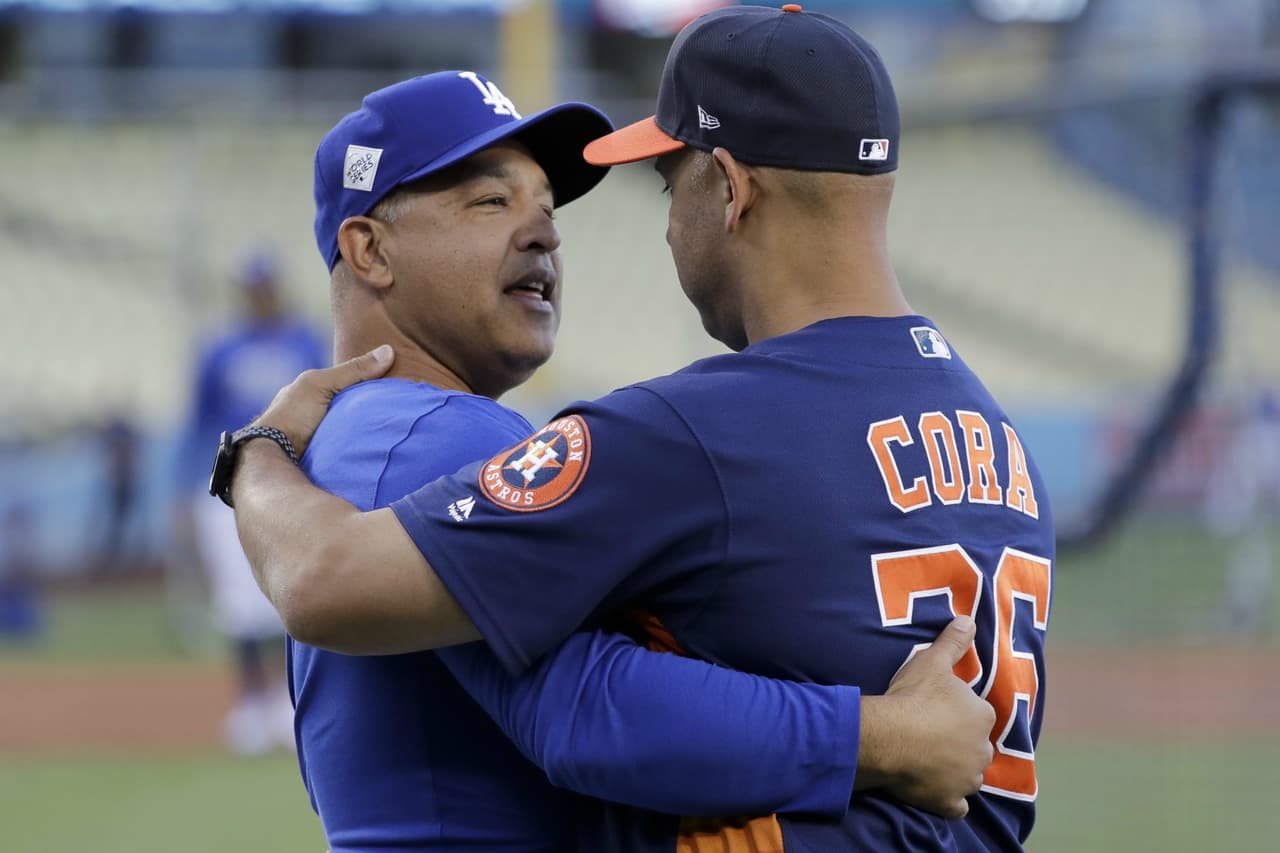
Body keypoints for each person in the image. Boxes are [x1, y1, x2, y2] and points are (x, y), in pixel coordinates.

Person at [226, 6, 1054, 849]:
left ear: (730, 188)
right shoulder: (997, 440)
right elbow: (576, 704)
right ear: (369, 251)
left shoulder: (692, 429)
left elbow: (573, 707)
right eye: (490, 199)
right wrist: (883, 736)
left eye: (549, 205)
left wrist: (254, 453)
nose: (545, 232)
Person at [178, 249, 327, 755]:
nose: (259, 295)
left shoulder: (303, 341)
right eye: (251, 287)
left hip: (290, 484)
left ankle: (287, 703)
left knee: (291, 594)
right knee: (239, 600)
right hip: (227, 486)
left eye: (264, 286)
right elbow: (199, 423)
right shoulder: (220, 349)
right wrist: (184, 489)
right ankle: (250, 705)